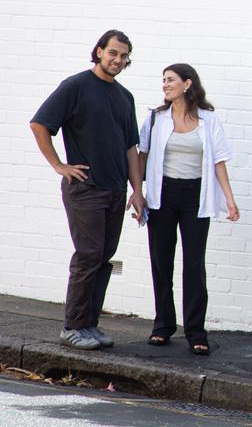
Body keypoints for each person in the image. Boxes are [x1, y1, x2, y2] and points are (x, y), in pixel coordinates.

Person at [30, 30, 145, 350]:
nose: (118, 60)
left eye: (123, 56)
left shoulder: (125, 97)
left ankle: (90, 325)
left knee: (104, 257)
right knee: (88, 255)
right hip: (85, 189)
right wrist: (59, 165)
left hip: (115, 189)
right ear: (99, 51)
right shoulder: (75, 86)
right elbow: (40, 124)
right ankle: (73, 327)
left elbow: (131, 148)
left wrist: (137, 190)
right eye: (113, 53)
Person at [139, 63, 240, 354]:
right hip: (163, 193)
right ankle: (163, 326)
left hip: (196, 195)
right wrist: (137, 192)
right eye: (163, 80)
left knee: (195, 263)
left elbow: (219, 161)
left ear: (187, 83)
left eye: (170, 80)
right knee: (161, 261)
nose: (165, 85)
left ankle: (196, 330)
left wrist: (230, 200)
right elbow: (142, 156)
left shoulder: (209, 120)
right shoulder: (156, 119)